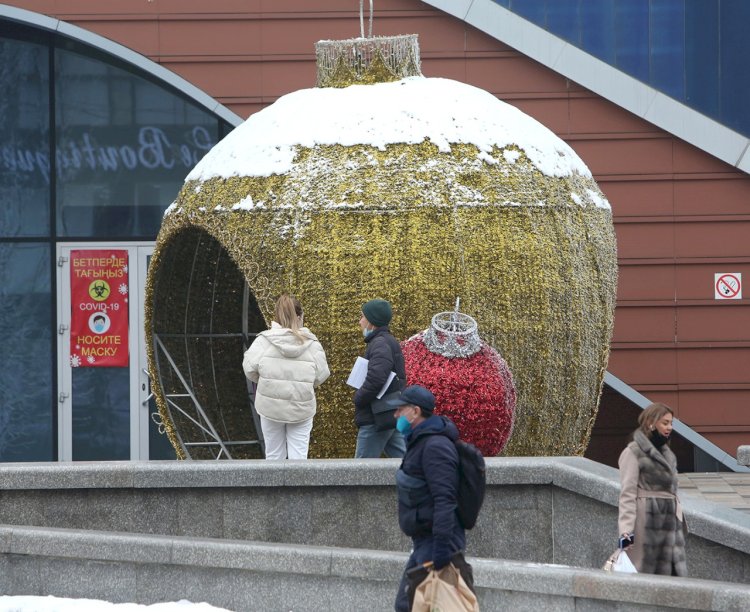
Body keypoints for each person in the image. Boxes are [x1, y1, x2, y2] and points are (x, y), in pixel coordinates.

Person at [390, 385, 474, 612]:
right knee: (407, 605)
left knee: (413, 606)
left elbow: (445, 500)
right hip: (425, 542)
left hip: (436, 543)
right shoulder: (420, 441)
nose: (396, 415)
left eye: (400, 410)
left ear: (415, 412)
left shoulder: (435, 446)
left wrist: (441, 553)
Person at [242, 294, 330, 460]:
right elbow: (321, 375)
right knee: (299, 457)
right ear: (300, 316)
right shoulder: (312, 344)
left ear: (276, 317)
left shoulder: (263, 341)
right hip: (301, 407)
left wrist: (265, 381)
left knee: (274, 455)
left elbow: (249, 369)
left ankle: (273, 487)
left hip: (270, 406)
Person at [617, 402, 687, 576]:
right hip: (646, 523)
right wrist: (626, 533)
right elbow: (627, 493)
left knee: (672, 576)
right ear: (650, 423)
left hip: (670, 525)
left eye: (671, 423)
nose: (669, 427)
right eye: (665, 423)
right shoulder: (633, 452)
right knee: (644, 576)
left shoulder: (668, 454)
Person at [353, 298, 407, 458]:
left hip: (375, 416)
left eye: (362, 316)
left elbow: (376, 378)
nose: (360, 321)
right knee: (405, 463)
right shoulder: (387, 341)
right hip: (388, 412)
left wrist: (359, 397)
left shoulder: (379, 343)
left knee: (360, 471)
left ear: (372, 321)